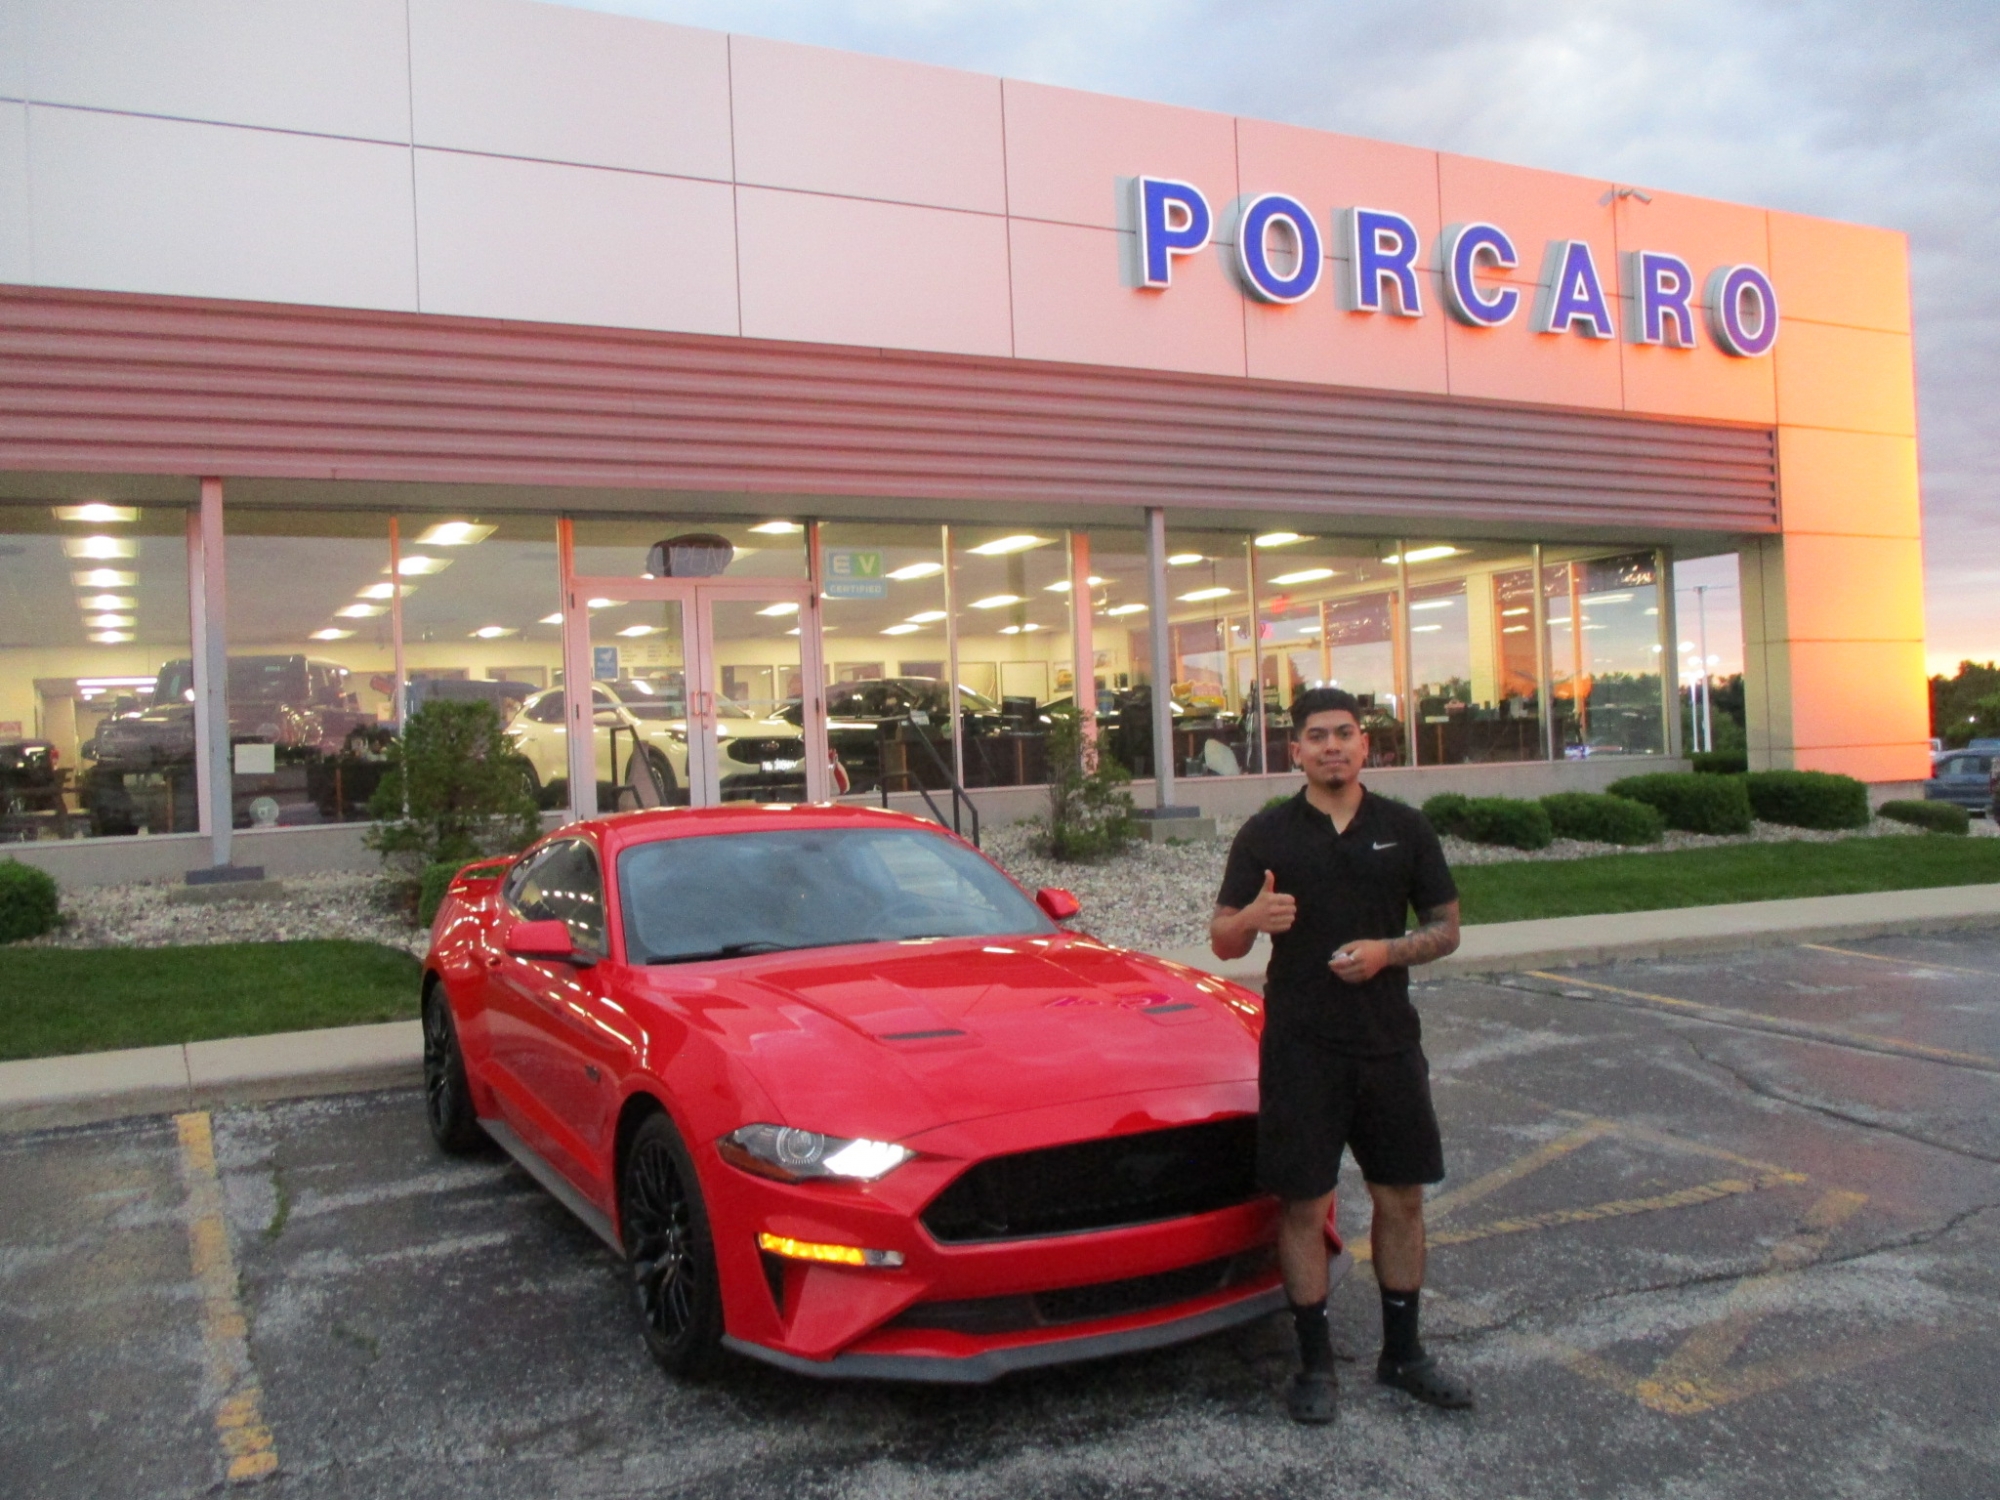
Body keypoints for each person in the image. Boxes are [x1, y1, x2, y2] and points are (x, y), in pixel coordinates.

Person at [1210, 686, 1472, 1424]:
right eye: (1318, 736)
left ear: (1365, 745)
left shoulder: (1404, 828)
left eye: (1345, 734)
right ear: (1295, 751)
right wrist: (1253, 917)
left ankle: (1404, 1355)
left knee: (1402, 1197)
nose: (1333, 746)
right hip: (1301, 1048)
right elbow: (1222, 939)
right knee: (1303, 1203)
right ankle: (1314, 1365)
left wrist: (1389, 951)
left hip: (1388, 1044)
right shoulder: (1266, 834)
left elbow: (1447, 928)